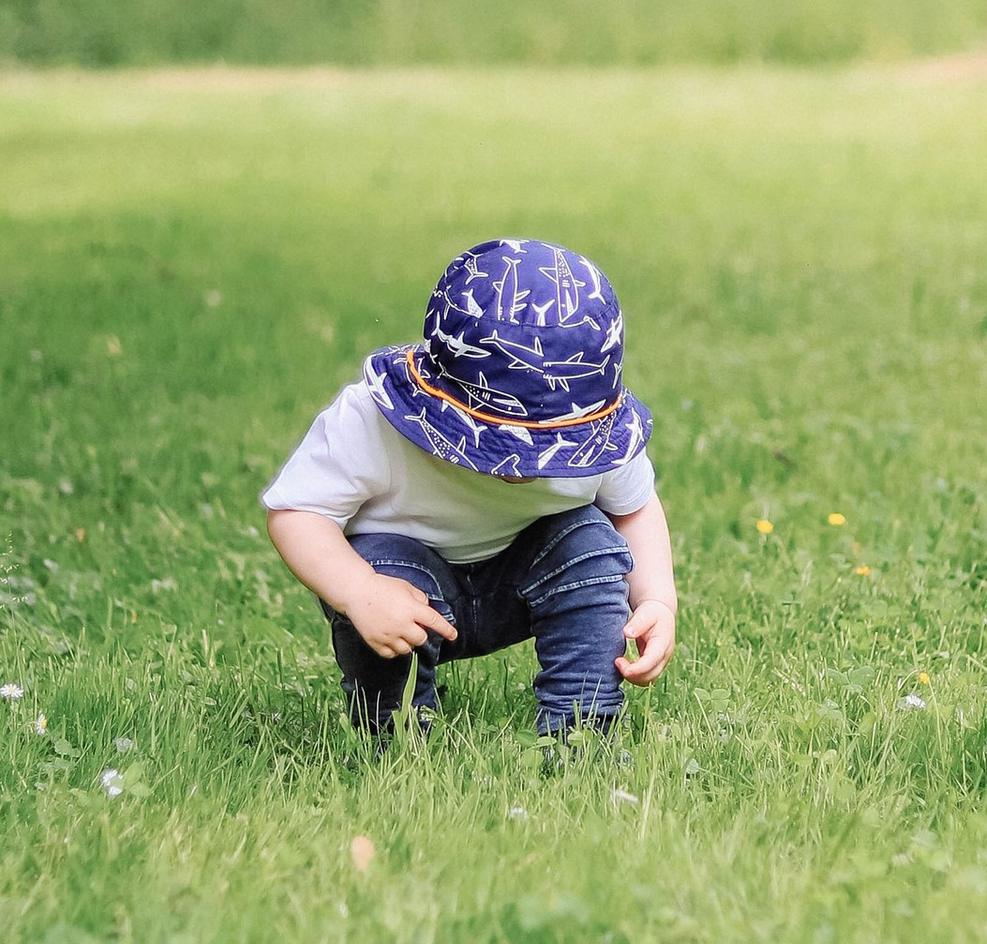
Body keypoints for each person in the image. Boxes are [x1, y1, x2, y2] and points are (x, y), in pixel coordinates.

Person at [262, 237, 677, 742]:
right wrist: (358, 590)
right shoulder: (372, 422)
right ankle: (394, 737)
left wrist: (657, 600)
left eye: (552, 448)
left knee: (591, 544)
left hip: (524, 574)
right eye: (506, 444)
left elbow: (634, 510)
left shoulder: (596, 437)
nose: (527, 468)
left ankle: (582, 730)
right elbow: (296, 511)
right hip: (401, 587)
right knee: (384, 563)